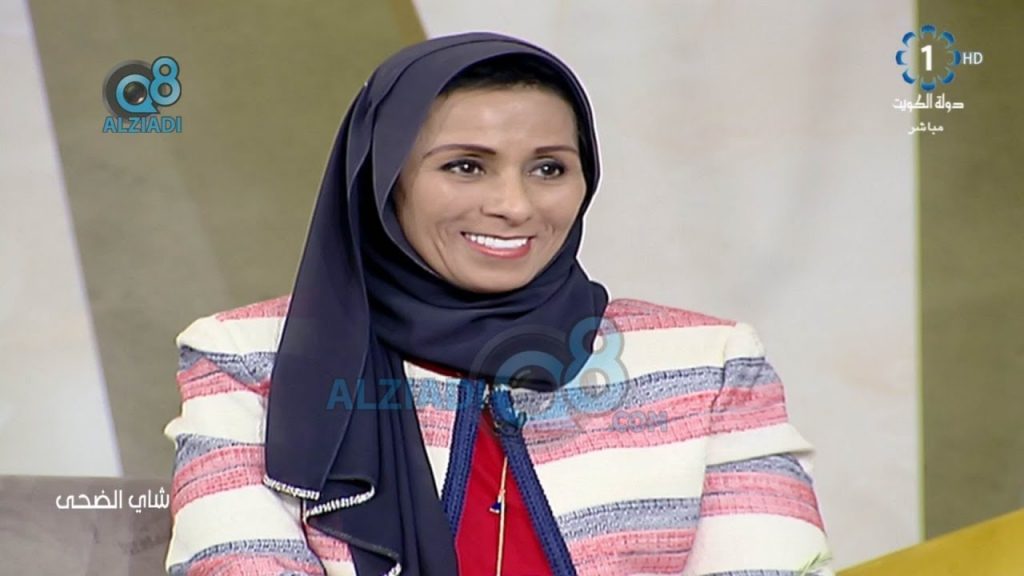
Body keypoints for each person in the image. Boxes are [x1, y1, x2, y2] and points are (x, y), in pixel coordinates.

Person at [164, 32, 833, 576]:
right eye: (466, 166)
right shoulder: (247, 359)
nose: (514, 205)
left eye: (548, 168)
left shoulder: (711, 363)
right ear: (386, 179)